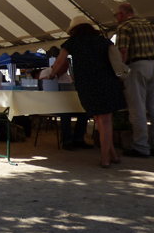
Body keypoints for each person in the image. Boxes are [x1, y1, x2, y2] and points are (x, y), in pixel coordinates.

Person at [50, 16, 126, 168]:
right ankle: (110, 157)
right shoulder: (103, 41)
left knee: (99, 119)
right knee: (105, 121)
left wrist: (51, 75)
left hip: (86, 84)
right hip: (107, 82)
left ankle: (108, 158)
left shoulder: (72, 42)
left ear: (74, 30)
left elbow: (59, 61)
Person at [114, 3, 154, 158]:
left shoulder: (124, 27)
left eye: (116, 14)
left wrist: (120, 73)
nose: (116, 17)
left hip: (137, 66)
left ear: (122, 14)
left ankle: (141, 146)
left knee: (137, 108)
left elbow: (123, 51)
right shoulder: (148, 26)